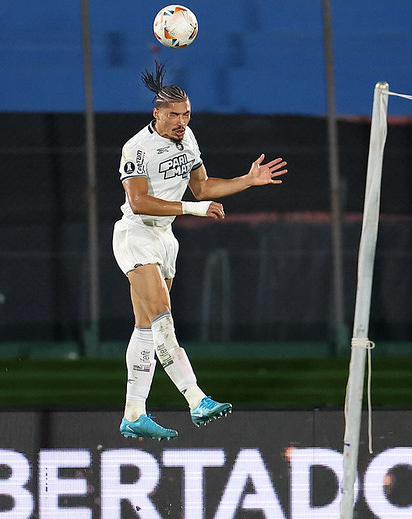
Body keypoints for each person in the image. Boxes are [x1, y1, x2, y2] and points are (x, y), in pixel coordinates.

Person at [112, 62, 288, 440]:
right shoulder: (136, 148)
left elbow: (203, 189)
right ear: (156, 113)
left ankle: (133, 412)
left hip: (166, 239)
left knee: (145, 327)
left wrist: (249, 180)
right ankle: (196, 399)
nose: (181, 121)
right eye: (174, 115)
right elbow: (140, 202)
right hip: (136, 234)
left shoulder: (187, 139)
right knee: (162, 318)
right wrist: (194, 210)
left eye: (186, 114)